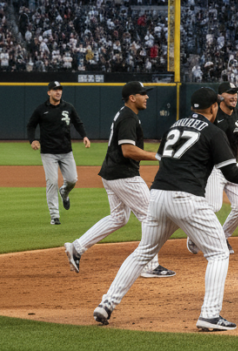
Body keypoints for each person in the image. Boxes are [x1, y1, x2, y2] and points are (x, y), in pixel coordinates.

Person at [92, 87, 238, 332]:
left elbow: (161, 156)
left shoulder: (174, 126)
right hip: (187, 198)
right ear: (213, 107)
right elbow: (230, 172)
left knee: (143, 253)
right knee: (219, 253)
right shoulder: (214, 131)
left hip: (157, 195)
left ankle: (106, 303)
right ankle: (210, 315)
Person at [65, 82, 175, 279]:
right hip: (123, 175)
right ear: (132, 98)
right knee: (151, 215)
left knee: (119, 217)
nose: (146, 97)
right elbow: (128, 150)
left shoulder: (125, 114)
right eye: (143, 94)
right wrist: (158, 156)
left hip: (112, 173)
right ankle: (150, 265)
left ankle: (77, 248)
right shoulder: (128, 117)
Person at [187, 81, 238, 256]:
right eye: (230, 93)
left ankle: (221, 236)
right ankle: (196, 236)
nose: (234, 96)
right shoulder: (212, 117)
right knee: (212, 206)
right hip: (214, 168)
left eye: (236, 93)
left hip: (232, 165)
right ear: (220, 97)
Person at [27, 81, 89, 225]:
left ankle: (64, 193)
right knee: (52, 182)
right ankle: (54, 216)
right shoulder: (41, 109)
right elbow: (31, 125)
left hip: (66, 151)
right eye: (55, 89)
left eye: (60, 89)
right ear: (49, 92)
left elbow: (78, 122)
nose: (58, 92)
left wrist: (84, 136)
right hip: (48, 153)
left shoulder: (68, 107)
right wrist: (32, 140)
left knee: (72, 180)